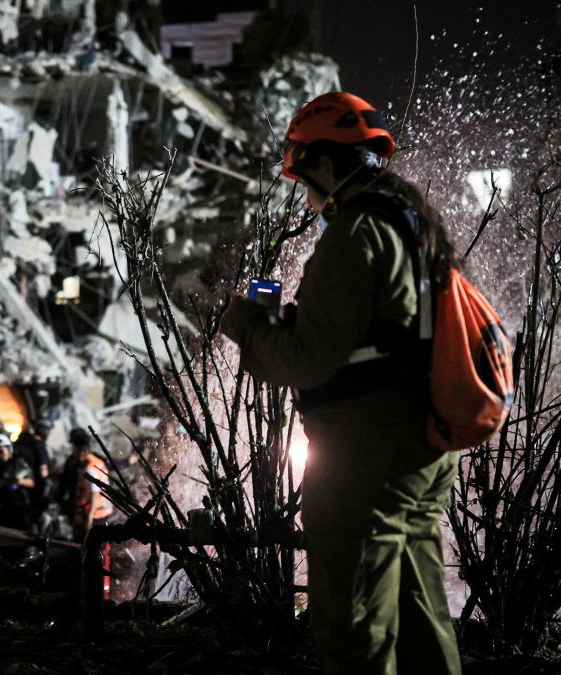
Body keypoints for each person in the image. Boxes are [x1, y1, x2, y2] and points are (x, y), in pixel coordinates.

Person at [218, 91, 461, 675]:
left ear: (325, 164)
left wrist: (248, 325)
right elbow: (382, 334)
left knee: (354, 628)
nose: (305, 194)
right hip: (420, 447)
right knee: (420, 622)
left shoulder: (357, 233)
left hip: (366, 456)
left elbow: (306, 360)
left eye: (304, 176)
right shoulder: (413, 220)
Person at [59, 428, 113, 542]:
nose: (72, 450)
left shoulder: (88, 468)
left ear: (81, 450)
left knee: (87, 546)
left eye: (73, 447)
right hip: (102, 511)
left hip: (93, 514)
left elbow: (94, 493)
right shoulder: (98, 460)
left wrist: (88, 517)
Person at [0, 433, 35, 530]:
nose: (1, 452)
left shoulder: (18, 462)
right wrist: (4, 482)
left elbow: (31, 482)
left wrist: (19, 481)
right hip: (1, 507)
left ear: (8, 449)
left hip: (18, 506)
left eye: (2, 449)